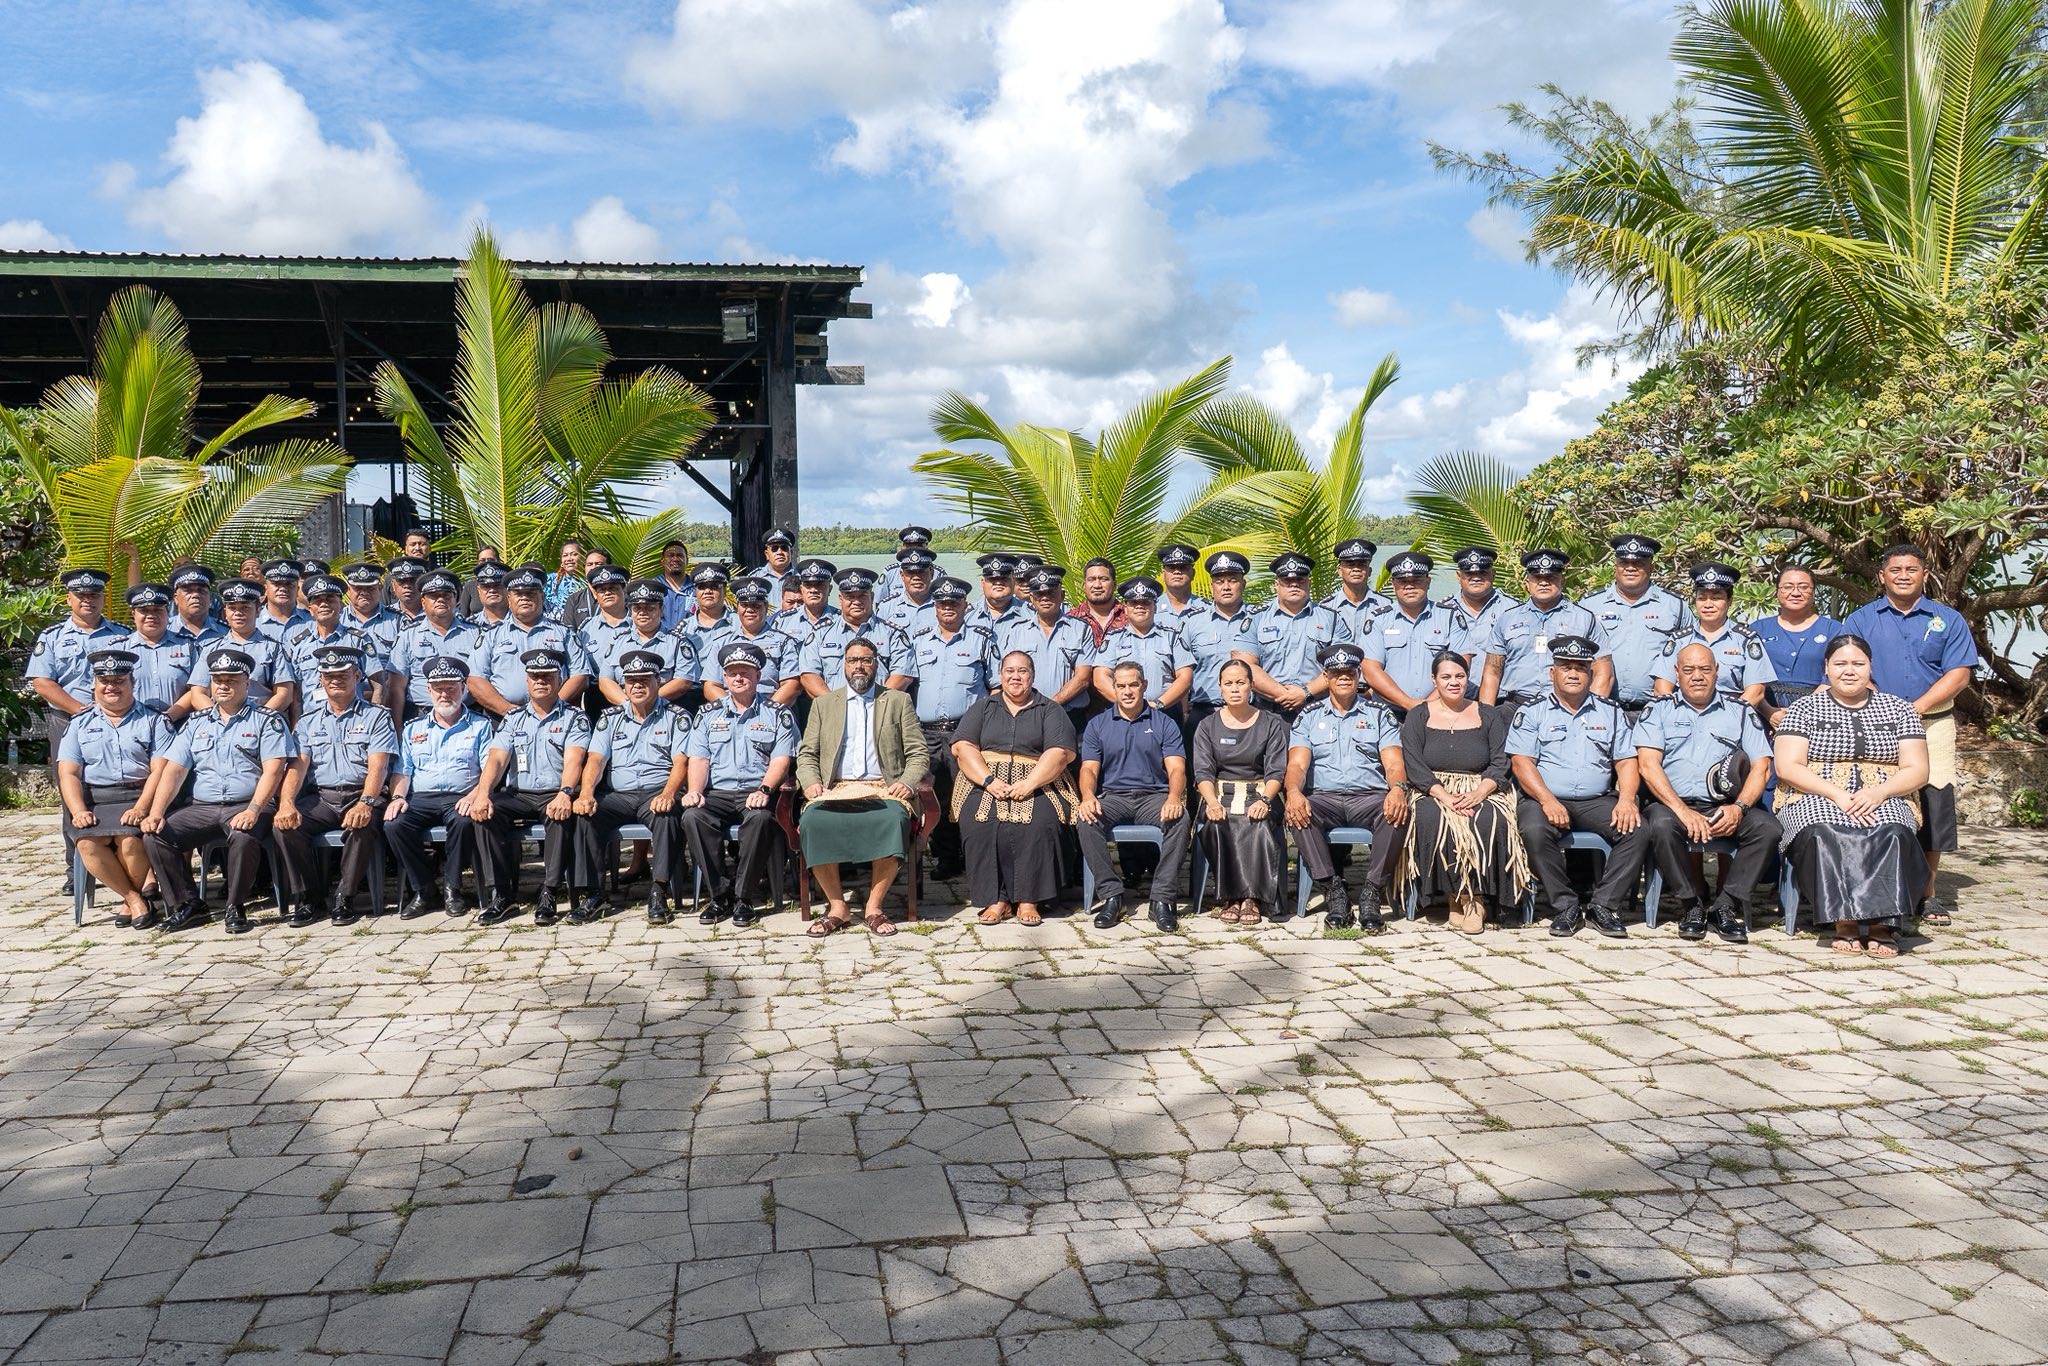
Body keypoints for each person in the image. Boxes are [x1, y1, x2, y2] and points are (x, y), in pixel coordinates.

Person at [1842, 545, 1978, 925]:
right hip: (1874, 721)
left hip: (1932, 723)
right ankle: (1873, 887)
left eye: (1912, 569)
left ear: (1924, 574)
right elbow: (1848, 665)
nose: (1903, 575)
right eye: (1896, 569)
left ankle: (1927, 892)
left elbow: (1959, 674)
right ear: (1882, 576)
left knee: (1934, 801)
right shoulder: (1861, 619)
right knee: (1875, 800)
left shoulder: (1947, 619)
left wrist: (1914, 709)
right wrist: (1886, 709)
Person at [1772, 633, 1930, 957]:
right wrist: (1837, 795)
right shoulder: (1804, 708)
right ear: (1826, 668)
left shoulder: (1899, 709)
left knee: (1892, 830)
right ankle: (1843, 920)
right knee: (1824, 828)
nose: (1849, 670)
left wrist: (1880, 792)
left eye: (1858, 663)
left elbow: (1917, 769)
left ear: (1870, 667)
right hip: (1814, 790)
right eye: (1840, 663)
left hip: (1884, 791)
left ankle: (1882, 924)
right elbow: (1787, 766)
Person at [140, 647, 296, 935]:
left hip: (248, 804)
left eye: (232, 680)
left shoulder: (266, 721)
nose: (224, 686)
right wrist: (157, 812)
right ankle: (187, 905)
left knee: (243, 835)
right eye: (218, 680)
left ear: (247, 683)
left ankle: (235, 906)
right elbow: (174, 770)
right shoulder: (195, 724)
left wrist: (253, 809)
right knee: (155, 834)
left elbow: (274, 770)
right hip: (203, 807)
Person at [1634, 642, 1780, 945]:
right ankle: (1691, 906)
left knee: (1767, 829)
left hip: (1725, 805)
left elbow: (1761, 766)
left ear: (1717, 671)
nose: (1696, 676)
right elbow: (1648, 766)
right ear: (1676, 673)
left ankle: (1726, 904)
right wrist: (1681, 810)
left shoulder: (1740, 713)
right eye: (1688, 670)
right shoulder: (1658, 711)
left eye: (1704, 669)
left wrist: (1739, 808)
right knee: (1659, 826)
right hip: (1673, 804)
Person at [1507, 634, 1648, 939]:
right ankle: (1565, 905)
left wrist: (1626, 800)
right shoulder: (1532, 711)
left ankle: (1603, 905)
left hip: (1596, 800)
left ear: (1590, 673)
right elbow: (1522, 764)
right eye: (1565, 666)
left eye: (1580, 668)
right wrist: (1547, 801)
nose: (1573, 673)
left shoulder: (1610, 712)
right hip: (1544, 798)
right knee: (1533, 829)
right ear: (1552, 673)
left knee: (1637, 830)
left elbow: (1625, 762)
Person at [795, 637, 930, 936]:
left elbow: (919, 752)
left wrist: (907, 783)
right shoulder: (824, 704)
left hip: (884, 787)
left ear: (876, 664)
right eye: (853, 660)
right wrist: (811, 782)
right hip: (836, 788)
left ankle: (874, 907)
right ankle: (837, 908)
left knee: (893, 820)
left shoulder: (897, 701)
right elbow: (807, 754)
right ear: (843, 665)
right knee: (813, 821)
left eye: (866, 660)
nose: (859, 666)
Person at [1397, 650, 1526, 935]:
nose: (1453, 682)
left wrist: (1481, 791)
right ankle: (1453, 897)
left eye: (1460, 676)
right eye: (1446, 677)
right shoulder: (1419, 715)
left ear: (1468, 679)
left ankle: (1476, 900)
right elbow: (1414, 764)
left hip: (1481, 786)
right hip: (1433, 788)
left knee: (1489, 819)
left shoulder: (1487, 714)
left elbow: (1500, 760)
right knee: (1432, 818)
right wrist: (1443, 796)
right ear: (1434, 680)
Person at [1285, 644, 1409, 931]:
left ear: (1358, 675)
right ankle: (1332, 890)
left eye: (1350, 672)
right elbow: (1297, 766)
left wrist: (1398, 789)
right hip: (1324, 798)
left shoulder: (1379, 714)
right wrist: (1293, 792)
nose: (1344, 677)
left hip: (1368, 796)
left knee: (1396, 812)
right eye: (1337, 672)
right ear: (1326, 676)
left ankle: (1372, 892)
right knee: (1298, 811)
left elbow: (1393, 764)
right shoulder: (1309, 716)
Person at [273, 646, 399, 928]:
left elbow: (378, 766)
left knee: (362, 824)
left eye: (343, 675)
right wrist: (286, 803)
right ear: (320, 680)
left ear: (357, 676)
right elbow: (297, 767)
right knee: (285, 825)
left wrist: (366, 802)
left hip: (363, 793)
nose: (336, 680)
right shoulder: (307, 722)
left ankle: (345, 897)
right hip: (323, 798)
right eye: (329, 676)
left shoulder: (377, 717)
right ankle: (309, 898)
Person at [951, 651, 1079, 926]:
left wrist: (1030, 783)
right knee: (980, 821)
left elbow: (1060, 753)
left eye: (1022, 671)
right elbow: (962, 746)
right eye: (1009, 671)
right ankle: (996, 900)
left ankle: (1029, 899)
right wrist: (988, 781)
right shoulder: (984, 707)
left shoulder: (1050, 709)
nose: (1015, 676)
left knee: (1040, 822)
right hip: (987, 779)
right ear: (1000, 676)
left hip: (1040, 779)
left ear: (1032, 676)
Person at [682, 641, 797, 928]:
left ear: (758, 676)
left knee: (759, 819)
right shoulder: (707, 714)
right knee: (693, 817)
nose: (738, 678)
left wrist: (764, 790)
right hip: (718, 792)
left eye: (745, 672)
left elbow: (781, 760)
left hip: (757, 791)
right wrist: (695, 790)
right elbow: (699, 759)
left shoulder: (777, 713)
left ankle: (744, 898)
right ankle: (719, 895)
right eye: (732, 673)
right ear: (724, 678)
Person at [57, 650, 175, 929]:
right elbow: (69, 773)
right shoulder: (79, 725)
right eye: (104, 680)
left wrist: (142, 808)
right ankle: (134, 899)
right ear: (94, 685)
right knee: (86, 843)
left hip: (139, 795)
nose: (111, 686)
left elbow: (160, 771)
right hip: (98, 801)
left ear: (132, 683)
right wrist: (79, 811)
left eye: (119, 680)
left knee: (132, 841)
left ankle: (130, 902)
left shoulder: (154, 720)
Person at [475, 648, 593, 927]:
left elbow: (575, 760)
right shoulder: (513, 719)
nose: (541, 681)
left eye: (548, 676)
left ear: (560, 679)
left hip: (556, 791)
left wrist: (566, 793)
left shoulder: (575, 718)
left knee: (560, 814)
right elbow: (497, 759)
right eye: (535, 677)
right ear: (526, 681)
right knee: (484, 814)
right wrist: (482, 794)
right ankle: (501, 895)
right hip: (519, 793)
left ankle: (549, 893)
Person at [384, 656, 503, 921]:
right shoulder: (413, 729)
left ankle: (453, 889)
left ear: (463, 689)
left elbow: (489, 770)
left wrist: (475, 796)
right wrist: (398, 797)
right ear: (429, 691)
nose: (444, 693)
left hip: (462, 796)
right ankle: (424, 889)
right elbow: (403, 771)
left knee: (463, 822)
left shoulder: (480, 726)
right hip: (421, 798)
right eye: (438, 688)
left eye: (451, 687)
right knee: (394, 824)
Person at [580, 650, 692, 924]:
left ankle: (659, 891)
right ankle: (593, 893)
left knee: (667, 816)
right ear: (624, 685)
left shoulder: (677, 717)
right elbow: (596, 759)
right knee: (585, 814)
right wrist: (586, 793)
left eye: (644, 680)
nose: (637, 686)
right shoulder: (610, 718)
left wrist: (668, 793)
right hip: (619, 795)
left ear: (658, 681)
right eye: (631, 681)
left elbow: (681, 762)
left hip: (657, 792)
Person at [1076, 661, 1190, 931]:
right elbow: (1089, 769)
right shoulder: (1098, 725)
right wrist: (1088, 796)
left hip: (1154, 797)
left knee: (1180, 819)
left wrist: (1174, 798)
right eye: (1121, 686)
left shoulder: (1164, 723)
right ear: (1113, 688)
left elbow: (1176, 769)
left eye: (1133, 685)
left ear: (1144, 686)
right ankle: (1111, 896)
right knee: (1086, 820)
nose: (1127, 691)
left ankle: (1161, 900)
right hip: (1114, 797)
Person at [908, 576, 1000, 880]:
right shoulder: (918, 640)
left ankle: (974, 858)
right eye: (943, 603)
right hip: (928, 733)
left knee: (972, 795)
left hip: (967, 733)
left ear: (964, 605)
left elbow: (995, 688)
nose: (949, 608)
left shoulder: (982, 639)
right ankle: (947, 859)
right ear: (935, 606)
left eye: (955, 603)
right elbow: (907, 686)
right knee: (936, 796)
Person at [28, 569, 129, 841]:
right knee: (71, 793)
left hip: (118, 721)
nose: (88, 600)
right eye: (81, 595)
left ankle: (122, 861)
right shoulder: (52, 637)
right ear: (68, 598)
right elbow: (42, 682)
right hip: (68, 721)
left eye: (94, 594)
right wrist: (81, 710)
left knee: (122, 786)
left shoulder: (123, 635)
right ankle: (76, 871)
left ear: (103, 598)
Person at [1193, 659, 1290, 924]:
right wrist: (1212, 803)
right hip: (1219, 794)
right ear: (1220, 688)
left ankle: (1252, 898)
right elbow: (1203, 772)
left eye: (1240, 682)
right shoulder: (1206, 726)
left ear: (1251, 686)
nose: (1234, 688)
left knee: (1257, 822)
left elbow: (1276, 771)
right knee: (1218, 823)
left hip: (1260, 792)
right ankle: (1230, 897)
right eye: (1228, 683)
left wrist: (1264, 800)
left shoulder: (1271, 723)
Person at [1481, 549, 1611, 719]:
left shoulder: (1585, 618)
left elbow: (1603, 672)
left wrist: (1590, 715)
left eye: (1550, 577)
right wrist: (1486, 717)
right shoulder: (1507, 618)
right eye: (1537, 578)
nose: (1543, 583)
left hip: (1567, 708)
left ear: (1562, 580)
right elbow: (1492, 671)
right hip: (1514, 708)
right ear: (1527, 582)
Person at [1580, 535, 1693, 718]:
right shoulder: (1590, 605)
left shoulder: (1675, 606)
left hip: (1657, 711)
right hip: (1602, 709)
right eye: (1624, 562)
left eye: (1639, 563)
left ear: (1651, 567)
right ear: (1615, 566)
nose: (1630, 568)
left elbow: (1690, 655)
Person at [467, 564, 595, 718]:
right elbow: (475, 679)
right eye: (518, 593)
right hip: (503, 718)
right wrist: (509, 711)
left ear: (542, 596)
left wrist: (549, 708)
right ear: (509, 598)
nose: (524, 598)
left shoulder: (564, 633)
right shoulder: (491, 635)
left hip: (556, 717)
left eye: (530, 593)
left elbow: (580, 676)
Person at [1652, 563, 1776, 707]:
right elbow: (1662, 688)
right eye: (1702, 598)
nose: (1708, 604)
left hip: (1733, 718)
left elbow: (1756, 692)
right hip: (1684, 718)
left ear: (1729, 601)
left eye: (1716, 598)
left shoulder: (1747, 640)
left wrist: (1729, 719)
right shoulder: (1679, 640)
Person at [1358, 551, 1457, 715]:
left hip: (1441, 711)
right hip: (1388, 714)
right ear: (1393, 584)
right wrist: (1409, 704)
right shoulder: (1378, 619)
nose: (1409, 586)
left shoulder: (1450, 617)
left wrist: (1429, 705)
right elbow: (1370, 670)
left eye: (1416, 580)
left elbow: (1461, 664)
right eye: (1403, 581)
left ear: (1428, 581)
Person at [184, 578, 294, 715]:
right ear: (225, 613)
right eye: (232, 608)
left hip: (261, 723)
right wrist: (217, 719)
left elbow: (284, 693)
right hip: (219, 724)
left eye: (245, 608)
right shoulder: (211, 649)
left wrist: (259, 719)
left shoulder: (273, 648)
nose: (238, 613)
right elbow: (198, 693)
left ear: (258, 611)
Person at [1000, 565, 1095, 721]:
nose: (1045, 598)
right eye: (1039, 593)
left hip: (1070, 717)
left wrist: (1049, 706)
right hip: (1026, 716)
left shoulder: (1081, 630)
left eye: (1050, 593)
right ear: (1031, 598)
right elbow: (1009, 676)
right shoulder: (1017, 632)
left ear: (1062, 595)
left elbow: (1083, 678)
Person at [799, 568, 916, 694]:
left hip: (880, 708)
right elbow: (809, 676)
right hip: (835, 710)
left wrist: (877, 705)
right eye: (849, 596)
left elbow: (902, 676)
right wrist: (834, 704)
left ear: (871, 596)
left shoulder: (893, 634)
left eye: (862, 596)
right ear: (840, 599)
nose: (856, 602)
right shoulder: (820, 633)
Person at [1750, 565, 1843, 724]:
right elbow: (1749, 678)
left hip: (1818, 711)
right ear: (1777, 592)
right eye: (1787, 587)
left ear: (1813, 593)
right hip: (1764, 712)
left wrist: (1801, 711)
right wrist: (1769, 713)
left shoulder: (1833, 629)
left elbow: (1837, 674)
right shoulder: (1758, 629)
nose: (1795, 593)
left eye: (1804, 587)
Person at [388, 570, 484, 722]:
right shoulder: (408, 635)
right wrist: (397, 727)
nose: (441, 600)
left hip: (468, 716)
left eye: (446, 595)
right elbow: (396, 686)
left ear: (455, 599)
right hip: (419, 716)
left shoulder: (476, 632)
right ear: (423, 602)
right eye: (434, 596)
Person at [285, 574, 391, 709]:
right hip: (312, 723)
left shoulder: (359, 640)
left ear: (341, 605)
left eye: (330, 599)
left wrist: (372, 719)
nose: (324, 604)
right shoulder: (299, 644)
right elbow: (296, 696)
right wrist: (297, 726)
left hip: (353, 721)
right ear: (311, 610)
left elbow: (379, 685)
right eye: (317, 600)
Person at [1179, 551, 1255, 735]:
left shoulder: (1258, 618)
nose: (1226, 587)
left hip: (1250, 714)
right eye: (1220, 582)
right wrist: (1183, 714)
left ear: (1243, 584)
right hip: (1204, 712)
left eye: (1232, 580)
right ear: (1212, 586)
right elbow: (1181, 671)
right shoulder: (1192, 623)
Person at [1091, 578, 1192, 710]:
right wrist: (1126, 703)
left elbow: (1185, 677)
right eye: (1134, 603)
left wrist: (1159, 704)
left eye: (1145, 602)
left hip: (1165, 711)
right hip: (1125, 714)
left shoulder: (1172, 637)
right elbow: (1100, 677)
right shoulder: (1114, 639)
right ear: (1126, 609)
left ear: (1154, 607)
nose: (1140, 606)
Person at [596, 580, 698, 708]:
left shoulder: (678, 642)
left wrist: (647, 701)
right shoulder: (618, 641)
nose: (642, 613)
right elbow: (605, 680)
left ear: (661, 610)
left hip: (666, 712)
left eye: (649, 608)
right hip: (624, 711)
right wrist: (629, 705)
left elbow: (683, 682)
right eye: (637, 608)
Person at [708, 576, 804, 706]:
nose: (750, 610)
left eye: (756, 605)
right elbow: (711, 686)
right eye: (744, 605)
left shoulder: (784, 642)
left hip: (773, 709)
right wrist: (734, 709)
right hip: (730, 713)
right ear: (738, 608)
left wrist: (765, 711)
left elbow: (792, 684)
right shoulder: (721, 643)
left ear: (765, 606)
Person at [120, 583, 200, 721]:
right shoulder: (120, 649)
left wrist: (168, 717)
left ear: (167, 612)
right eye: (144, 610)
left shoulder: (188, 645)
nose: (151, 616)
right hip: (132, 723)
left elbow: (198, 688)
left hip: (180, 724)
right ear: (133, 614)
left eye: (157, 610)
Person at [1442, 546, 1515, 662]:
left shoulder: (1513, 609)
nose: (1476, 578)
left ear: (1493, 574)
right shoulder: (1443, 611)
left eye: (1482, 572)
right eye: (1469, 573)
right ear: (1458, 576)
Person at [573, 564, 634, 692]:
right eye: (601, 590)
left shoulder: (639, 624)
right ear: (595, 595)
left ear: (624, 590)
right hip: (597, 696)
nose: (607, 593)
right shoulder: (586, 630)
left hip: (635, 691)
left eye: (613, 588)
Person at [1323, 538, 1393, 642]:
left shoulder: (1386, 605)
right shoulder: (1326, 608)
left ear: (1369, 571)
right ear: (1340, 571)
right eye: (1350, 564)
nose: (1356, 569)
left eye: (1362, 564)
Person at [342, 562, 406, 667]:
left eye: (370, 588)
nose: (364, 593)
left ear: (379, 589)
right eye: (358, 588)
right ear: (349, 590)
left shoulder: (398, 620)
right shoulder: (337, 620)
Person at [679, 563, 738, 673]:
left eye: (714, 587)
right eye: (702, 587)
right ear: (695, 592)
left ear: (724, 591)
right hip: (693, 687)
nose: (707, 591)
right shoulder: (683, 629)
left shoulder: (740, 624)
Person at [776, 557, 841, 646]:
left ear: (829, 589)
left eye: (819, 585)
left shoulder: (841, 621)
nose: (813, 590)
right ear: (801, 589)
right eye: (808, 585)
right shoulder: (783, 621)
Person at [1154, 543, 1210, 634]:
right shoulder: (1151, 609)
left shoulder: (1208, 609)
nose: (1177, 572)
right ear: (1163, 574)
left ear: (1193, 573)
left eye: (1183, 567)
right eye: (1171, 567)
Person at [1069, 558, 1126, 647]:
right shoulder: (1071, 620)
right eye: (1091, 579)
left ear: (1114, 585)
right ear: (1084, 586)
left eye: (1103, 579)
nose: (1097, 585)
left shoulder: (1129, 617)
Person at [970, 553, 1029, 635]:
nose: (998, 583)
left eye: (1004, 578)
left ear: (1013, 581)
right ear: (982, 582)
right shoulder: (965, 616)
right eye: (992, 579)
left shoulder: (1032, 614)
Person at [255, 560, 312, 644]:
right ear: (266, 588)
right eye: (277, 584)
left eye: (289, 584)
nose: (283, 589)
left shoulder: (312, 622)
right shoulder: (253, 622)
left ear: (297, 589)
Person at [167, 563, 224, 645]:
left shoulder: (227, 632)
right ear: (176, 598)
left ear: (210, 598)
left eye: (201, 591)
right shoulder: (162, 631)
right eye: (188, 591)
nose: (196, 595)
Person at [557, 549, 614, 630]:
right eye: (589, 564)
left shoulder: (618, 597)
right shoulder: (574, 600)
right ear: (584, 568)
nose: (593, 568)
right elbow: (568, 631)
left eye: (598, 564)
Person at [877, 524, 934, 603]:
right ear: (903, 547)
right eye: (910, 546)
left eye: (919, 546)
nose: (914, 550)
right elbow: (879, 602)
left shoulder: (937, 572)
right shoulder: (890, 572)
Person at [746, 525, 798, 602]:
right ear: (767, 554)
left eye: (784, 548)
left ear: (791, 553)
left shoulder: (801, 577)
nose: (780, 552)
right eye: (774, 548)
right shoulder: (755, 578)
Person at [456, 544, 504, 617]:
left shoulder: (505, 584)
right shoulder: (470, 586)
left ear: (498, 561)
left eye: (491, 560)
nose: (486, 563)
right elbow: (463, 614)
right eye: (482, 560)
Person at [657, 539, 694, 630]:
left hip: (691, 641)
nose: (675, 559)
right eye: (670, 555)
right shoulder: (654, 587)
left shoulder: (697, 587)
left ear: (687, 561)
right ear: (662, 561)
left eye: (680, 555)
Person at [467, 559, 511, 627]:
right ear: (479, 590)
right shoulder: (469, 626)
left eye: (497, 585)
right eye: (486, 586)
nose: (492, 590)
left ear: (507, 589)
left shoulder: (522, 623)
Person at [546, 540, 586, 614]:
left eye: (574, 554)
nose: (569, 559)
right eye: (565, 555)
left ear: (583, 558)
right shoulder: (549, 580)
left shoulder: (589, 582)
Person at [386, 556, 428, 624]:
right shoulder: (384, 616)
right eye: (401, 581)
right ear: (393, 585)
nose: (407, 586)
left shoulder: (436, 614)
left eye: (413, 580)